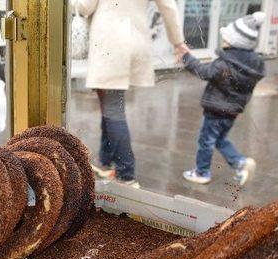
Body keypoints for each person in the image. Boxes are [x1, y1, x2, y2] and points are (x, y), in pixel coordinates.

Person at [74, 0, 188, 189]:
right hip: (136, 41)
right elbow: (169, 7)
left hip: (110, 44)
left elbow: (86, 7)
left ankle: (126, 175)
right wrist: (178, 42)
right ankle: (106, 160)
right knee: (110, 104)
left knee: (113, 109)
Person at [181, 11, 266, 186]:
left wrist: (186, 58)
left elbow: (204, 72)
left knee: (206, 140)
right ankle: (240, 163)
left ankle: (201, 172)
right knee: (219, 139)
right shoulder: (252, 66)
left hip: (216, 110)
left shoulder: (224, 64)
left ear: (235, 43)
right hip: (232, 112)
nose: (224, 40)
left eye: (227, 38)